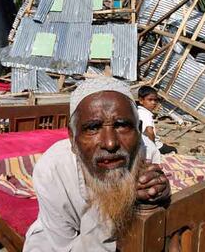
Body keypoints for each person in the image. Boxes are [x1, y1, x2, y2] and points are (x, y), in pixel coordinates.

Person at [23, 77, 170, 252]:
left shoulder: (147, 151)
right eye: (93, 128)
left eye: (122, 125)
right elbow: (63, 246)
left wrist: (162, 194)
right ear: (72, 138)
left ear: (138, 130)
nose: (110, 143)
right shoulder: (52, 169)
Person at [137, 86, 177, 154]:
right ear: (141, 100)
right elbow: (149, 131)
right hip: (155, 146)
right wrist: (153, 149)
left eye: (155, 100)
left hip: (142, 144)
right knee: (173, 150)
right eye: (150, 100)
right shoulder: (146, 114)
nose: (154, 103)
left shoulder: (138, 111)